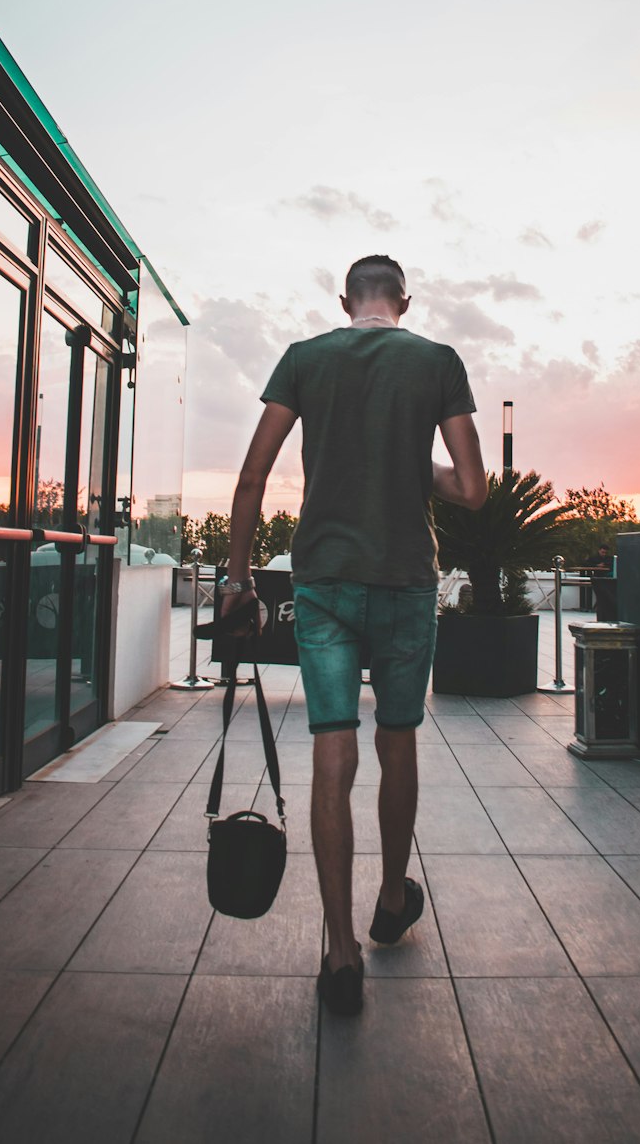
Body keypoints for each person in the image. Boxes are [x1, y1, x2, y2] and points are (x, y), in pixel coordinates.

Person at [220, 254, 487, 1016]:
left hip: (324, 582)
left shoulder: (304, 359)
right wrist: (416, 464)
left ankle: (338, 953)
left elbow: (251, 478)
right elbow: (471, 488)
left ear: (345, 301)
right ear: (405, 301)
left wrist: (239, 580)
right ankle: (390, 899)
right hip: (406, 583)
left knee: (332, 749)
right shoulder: (437, 362)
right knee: (395, 741)